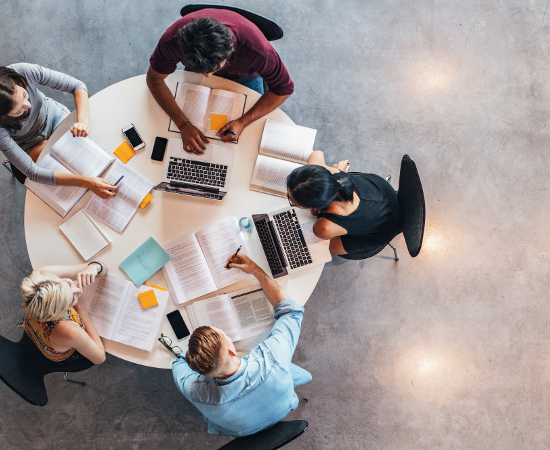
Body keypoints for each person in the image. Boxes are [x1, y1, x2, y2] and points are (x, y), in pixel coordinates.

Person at [172, 253, 311, 438]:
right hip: (283, 407)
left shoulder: (196, 392)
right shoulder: (272, 359)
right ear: (231, 350)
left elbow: (178, 365)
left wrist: (188, 357)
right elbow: (291, 312)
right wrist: (256, 270)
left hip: (240, 432)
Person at [146, 9, 294, 154]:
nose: (208, 77)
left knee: (248, 140)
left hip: (246, 77)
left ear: (231, 48)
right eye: (203, 71)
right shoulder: (173, 39)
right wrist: (183, 124)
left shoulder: (258, 51)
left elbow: (284, 89)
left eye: (212, 69)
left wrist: (243, 122)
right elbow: (154, 80)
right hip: (196, 75)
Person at [0, 63, 117, 198]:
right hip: (29, 144)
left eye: (25, 95)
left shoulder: (23, 71)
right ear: (0, 117)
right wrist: (86, 182)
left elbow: (77, 86)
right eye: (18, 111)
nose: (28, 106)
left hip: (55, 117)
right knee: (71, 174)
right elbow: (33, 172)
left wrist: (82, 121)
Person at [286, 151, 403, 256]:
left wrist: (318, 210)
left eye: (292, 201)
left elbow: (323, 231)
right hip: (383, 191)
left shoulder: (323, 227)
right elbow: (316, 154)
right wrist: (339, 172)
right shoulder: (333, 175)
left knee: (318, 250)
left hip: (385, 230)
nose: (287, 196)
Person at [21, 261, 107, 364]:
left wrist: (95, 267)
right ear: (60, 313)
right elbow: (100, 358)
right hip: (59, 350)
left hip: (32, 325)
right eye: (72, 300)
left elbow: (103, 267)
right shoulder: (70, 330)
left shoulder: (42, 276)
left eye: (68, 283)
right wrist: (80, 307)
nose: (78, 290)